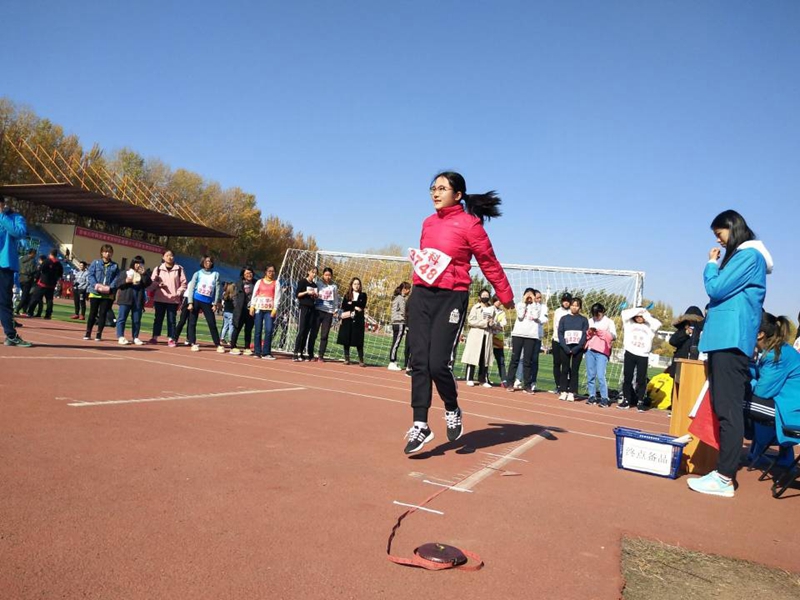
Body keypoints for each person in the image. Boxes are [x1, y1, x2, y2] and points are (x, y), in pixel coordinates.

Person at [404, 171, 513, 455]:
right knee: (419, 361)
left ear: (458, 194)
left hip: (451, 297)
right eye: (433, 188)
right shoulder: (427, 223)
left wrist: (505, 295)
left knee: (437, 364)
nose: (435, 193)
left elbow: (488, 262)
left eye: (442, 188)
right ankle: (420, 424)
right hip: (421, 294)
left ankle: (452, 408)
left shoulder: (470, 225)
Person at [687, 210, 772, 498]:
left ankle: (724, 477)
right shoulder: (745, 257)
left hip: (731, 340)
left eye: (719, 234)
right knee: (724, 408)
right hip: (725, 340)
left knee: (729, 409)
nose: (718, 241)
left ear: (732, 228)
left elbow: (716, 288)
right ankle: (722, 473)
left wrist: (711, 264)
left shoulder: (749, 256)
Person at [744, 313, 800, 468]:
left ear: (760, 334)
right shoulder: (779, 350)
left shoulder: (775, 355)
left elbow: (762, 392)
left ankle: (727, 456)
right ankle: (764, 451)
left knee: (733, 401)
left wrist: (748, 380)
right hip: (790, 407)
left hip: (792, 414)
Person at [0, 196, 32, 347]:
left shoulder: (15, 217)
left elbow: (19, 233)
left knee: (4, 302)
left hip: (4, 264)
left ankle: (11, 336)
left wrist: (1, 216)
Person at [619, 306, 661, 410]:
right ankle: (626, 400)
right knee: (627, 378)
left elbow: (658, 324)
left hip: (643, 355)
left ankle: (640, 401)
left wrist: (645, 314)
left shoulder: (650, 326)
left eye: (641, 316)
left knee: (641, 379)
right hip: (630, 353)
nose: (639, 318)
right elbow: (624, 314)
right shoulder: (629, 324)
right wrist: (638, 310)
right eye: (637, 316)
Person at [506, 288, 547, 394]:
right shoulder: (520, 304)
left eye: (531, 295)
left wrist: (533, 302)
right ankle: (510, 383)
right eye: (527, 295)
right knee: (515, 359)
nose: (529, 297)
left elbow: (536, 316)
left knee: (527, 361)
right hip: (518, 334)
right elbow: (520, 315)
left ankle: (527, 385)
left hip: (531, 335)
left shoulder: (537, 306)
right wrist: (524, 302)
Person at [461, 288, 502, 388]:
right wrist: (484, 323)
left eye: (487, 295)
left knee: (485, 358)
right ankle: (470, 378)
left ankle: (483, 379)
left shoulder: (492, 309)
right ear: (479, 297)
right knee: (472, 357)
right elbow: (471, 321)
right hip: (476, 335)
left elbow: (495, 322)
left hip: (487, 335)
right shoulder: (476, 307)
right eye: (483, 295)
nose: (485, 297)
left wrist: (493, 323)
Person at [147, 250, 187, 347]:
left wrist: (178, 292)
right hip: (160, 298)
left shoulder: (179, 269)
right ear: (163, 257)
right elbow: (152, 283)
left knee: (171, 320)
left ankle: (171, 339)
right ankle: (154, 337)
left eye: (171, 255)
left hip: (173, 299)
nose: (170, 257)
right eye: (167, 255)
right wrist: (158, 284)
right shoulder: (158, 269)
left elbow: (184, 283)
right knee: (158, 319)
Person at [185, 255, 225, 353]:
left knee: (212, 323)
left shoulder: (216, 274)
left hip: (208, 302)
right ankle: (193, 343)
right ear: (203, 262)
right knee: (192, 322)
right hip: (196, 300)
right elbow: (191, 288)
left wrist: (215, 303)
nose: (208, 263)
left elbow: (218, 289)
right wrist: (190, 302)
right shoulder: (197, 274)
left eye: (210, 261)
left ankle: (218, 344)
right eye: (206, 261)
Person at [584, 302, 618, 408]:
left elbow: (613, 336)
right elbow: (586, 335)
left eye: (598, 314)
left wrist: (600, 332)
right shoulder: (590, 321)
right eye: (594, 314)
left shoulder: (609, 322)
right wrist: (589, 332)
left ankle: (604, 398)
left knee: (600, 375)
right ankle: (592, 395)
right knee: (590, 375)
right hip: (590, 349)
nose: (596, 316)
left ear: (602, 311)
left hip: (602, 351)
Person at [84, 244, 120, 341]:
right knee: (93, 313)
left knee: (103, 313)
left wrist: (110, 287)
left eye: (110, 252)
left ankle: (99, 333)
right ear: (101, 252)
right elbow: (90, 275)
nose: (108, 254)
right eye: (106, 252)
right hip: (95, 292)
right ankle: (88, 332)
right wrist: (96, 285)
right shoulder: (95, 263)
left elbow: (117, 278)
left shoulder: (115, 266)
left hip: (107, 294)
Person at [114, 255, 151, 345]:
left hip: (138, 299)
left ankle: (135, 337)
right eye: (136, 263)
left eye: (141, 263)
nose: (138, 265)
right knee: (122, 318)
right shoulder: (125, 272)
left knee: (136, 320)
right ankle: (121, 336)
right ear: (133, 263)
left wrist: (144, 274)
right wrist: (126, 281)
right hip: (126, 298)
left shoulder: (143, 274)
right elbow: (117, 284)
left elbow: (148, 283)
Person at [558, 297, 588, 402]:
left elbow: (585, 335)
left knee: (575, 370)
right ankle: (563, 391)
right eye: (573, 305)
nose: (574, 307)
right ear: (570, 306)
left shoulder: (583, 320)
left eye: (577, 306)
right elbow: (560, 333)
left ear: (580, 307)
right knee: (564, 369)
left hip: (578, 348)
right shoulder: (564, 318)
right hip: (565, 347)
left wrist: (578, 347)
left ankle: (572, 392)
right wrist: (565, 347)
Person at [249, 264, 281, 359]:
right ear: (265, 272)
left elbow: (277, 297)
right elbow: (255, 294)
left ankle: (266, 352)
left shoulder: (276, 283)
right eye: (269, 271)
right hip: (259, 309)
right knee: (258, 330)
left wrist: (275, 308)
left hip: (269, 310)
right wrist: (252, 306)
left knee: (269, 330)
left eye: (273, 271)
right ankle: (257, 351)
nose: (271, 273)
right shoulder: (259, 282)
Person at [309, 267, 340, 362]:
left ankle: (321, 355)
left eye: (329, 275)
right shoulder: (318, 284)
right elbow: (313, 294)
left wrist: (335, 310)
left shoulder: (334, 287)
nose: (328, 277)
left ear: (332, 276)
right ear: (323, 275)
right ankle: (310, 354)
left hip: (328, 313)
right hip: (318, 311)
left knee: (324, 335)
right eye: (326, 275)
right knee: (314, 333)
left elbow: (336, 299)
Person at [337, 277, 368, 366]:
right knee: (346, 339)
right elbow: (344, 305)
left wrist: (352, 303)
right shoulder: (347, 295)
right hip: (347, 319)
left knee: (359, 340)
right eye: (355, 284)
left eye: (358, 284)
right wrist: (355, 307)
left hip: (358, 320)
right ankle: (347, 359)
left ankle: (361, 360)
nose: (356, 286)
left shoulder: (363, 295)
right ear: (351, 285)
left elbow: (362, 304)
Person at [666, 305, 705, 376]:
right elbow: (672, 341)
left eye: (693, 320)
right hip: (679, 367)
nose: (691, 323)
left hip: (696, 367)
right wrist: (685, 333)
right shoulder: (682, 331)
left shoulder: (702, 332)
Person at [26, 249, 63, 320]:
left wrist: (36, 278)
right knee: (49, 300)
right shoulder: (59, 264)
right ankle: (48, 314)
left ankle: (30, 312)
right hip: (52, 285)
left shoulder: (46, 261)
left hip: (42, 283)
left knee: (35, 298)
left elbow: (40, 270)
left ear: (50, 254)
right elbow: (60, 274)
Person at [292, 266, 318, 361]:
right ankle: (295, 353)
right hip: (303, 308)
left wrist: (315, 295)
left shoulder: (315, 285)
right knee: (301, 330)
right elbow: (298, 294)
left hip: (312, 309)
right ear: (308, 272)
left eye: (315, 273)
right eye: (312, 272)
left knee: (307, 331)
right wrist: (307, 292)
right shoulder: (302, 282)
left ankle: (301, 352)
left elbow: (315, 298)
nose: (314, 274)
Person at [228, 267, 256, 356]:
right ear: (243, 275)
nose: (249, 275)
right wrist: (237, 306)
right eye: (247, 273)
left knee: (248, 329)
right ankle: (233, 346)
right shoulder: (239, 283)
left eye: (250, 272)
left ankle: (247, 347)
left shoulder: (256, 283)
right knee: (237, 328)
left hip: (251, 310)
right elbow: (234, 296)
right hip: (240, 310)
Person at [551, 293, 573, 393]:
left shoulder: (572, 312)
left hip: (568, 342)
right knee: (556, 363)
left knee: (566, 364)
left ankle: (567, 385)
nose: (566, 303)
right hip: (557, 339)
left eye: (568, 301)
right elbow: (556, 325)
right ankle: (558, 385)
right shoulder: (558, 311)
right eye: (564, 301)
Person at [388, 282, 411, 371]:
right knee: (396, 343)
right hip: (399, 322)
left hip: (395, 323)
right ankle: (392, 361)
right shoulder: (401, 298)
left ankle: (393, 361)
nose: (409, 291)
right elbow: (403, 311)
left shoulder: (397, 297)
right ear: (404, 289)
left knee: (395, 342)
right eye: (408, 289)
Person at [490, 295, 508, 386]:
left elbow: (504, 323)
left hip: (498, 338)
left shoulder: (502, 312)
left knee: (501, 359)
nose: (499, 302)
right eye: (498, 300)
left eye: (500, 301)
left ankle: (504, 379)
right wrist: (496, 325)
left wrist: (496, 324)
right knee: (486, 359)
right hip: (489, 336)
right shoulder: (489, 309)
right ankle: (484, 377)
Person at [15, 248, 37, 316]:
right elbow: (32, 270)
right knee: (25, 296)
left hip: (21, 278)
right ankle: (17, 309)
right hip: (28, 279)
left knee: (26, 295)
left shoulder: (21, 259)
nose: (35, 255)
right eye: (35, 254)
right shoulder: (32, 261)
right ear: (32, 253)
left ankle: (24, 310)